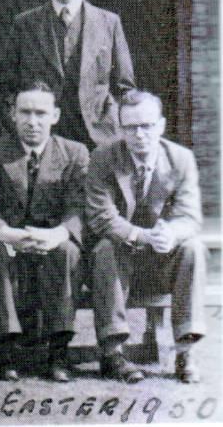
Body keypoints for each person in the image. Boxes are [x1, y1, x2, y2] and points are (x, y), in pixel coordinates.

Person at [0, 81, 88, 382]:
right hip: (10, 241)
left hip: (52, 242)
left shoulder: (74, 153)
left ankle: (58, 350)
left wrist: (58, 234)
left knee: (68, 251)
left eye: (40, 113)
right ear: (13, 114)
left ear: (55, 116)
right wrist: (8, 234)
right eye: (25, 113)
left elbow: (79, 208)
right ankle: (8, 349)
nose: (32, 122)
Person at [87, 90, 206, 384]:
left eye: (147, 125)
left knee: (193, 248)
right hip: (120, 259)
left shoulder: (180, 159)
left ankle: (185, 350)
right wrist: (142, 235)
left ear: (161, 126)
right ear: (120, 128)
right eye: (130, 127)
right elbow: (101, 216)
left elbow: (189, 217)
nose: (139, 134)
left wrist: (171, 232)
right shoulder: (103, 158)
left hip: (162, 262)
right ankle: (113, 352)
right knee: (104, 247)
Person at [0, 0, 136, 148]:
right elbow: (5, 87)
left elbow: (125, 88)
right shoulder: (25, 24)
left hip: (99, 140)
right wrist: (22, 130)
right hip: (43, 141)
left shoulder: (109, 23)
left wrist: (115, 128)